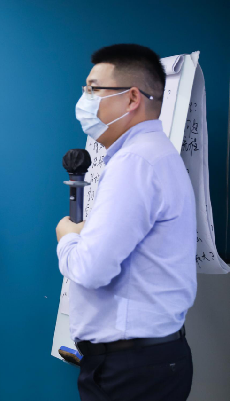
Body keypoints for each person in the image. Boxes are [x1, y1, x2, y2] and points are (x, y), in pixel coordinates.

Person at [56, 44, 197, 401]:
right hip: (148, 361)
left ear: (132, 97)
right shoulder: (156, 154)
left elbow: (91, 269)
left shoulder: (135, 162)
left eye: (93, 89)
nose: (84, 101)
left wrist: (67, 237)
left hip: (132, 370)